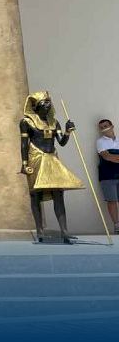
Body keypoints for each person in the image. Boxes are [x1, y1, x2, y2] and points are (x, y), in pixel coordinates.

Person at [20, 91, 84, 243]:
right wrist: (24, 164)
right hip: (35, 158)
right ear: (36, 106)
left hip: (52, 158)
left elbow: (61, 142)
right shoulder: (26, 122)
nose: (48, 105)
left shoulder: (54, 122)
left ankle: (64, 231)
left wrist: (67, 132)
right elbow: (23, 144)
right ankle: (40, 230)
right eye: (44, 102)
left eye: (49, 102)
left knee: (58, 193)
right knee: (35, 194)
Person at [97, 119, 119, 232]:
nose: (104, 128)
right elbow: (107, 157)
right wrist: (112, 157)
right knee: (112, 201)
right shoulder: (100, 141)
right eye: (101, 127)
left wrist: (114, 157)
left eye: (106, 126)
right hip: (107, 176)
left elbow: (113, 157)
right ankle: (117, 226)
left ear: (112, 126)